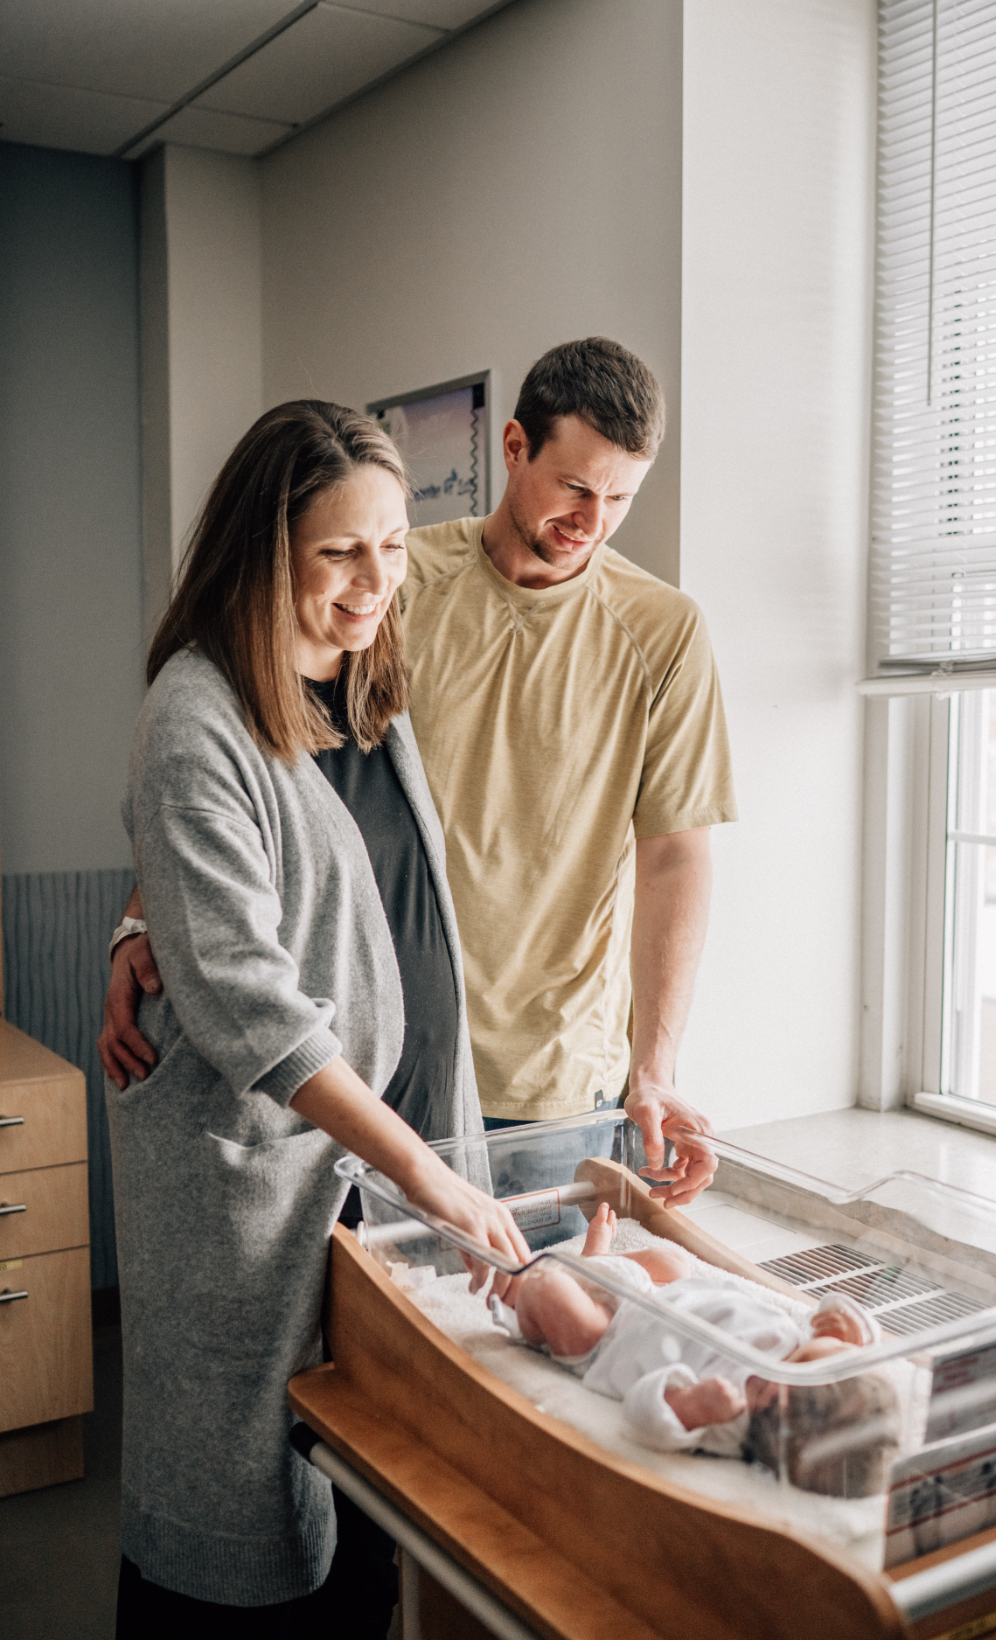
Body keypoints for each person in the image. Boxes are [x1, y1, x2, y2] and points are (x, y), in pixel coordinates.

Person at [101, 337, 736, 1205]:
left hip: (552, 1082)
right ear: (515, 449)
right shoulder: (387, 582)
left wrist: (655, 1070)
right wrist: (149, 918)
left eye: (621, 497)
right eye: (577, 488)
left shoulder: (663, 631)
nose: (593, 520)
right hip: (364, 1071)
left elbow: (676, 856)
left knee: (524, 1331)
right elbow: (244, 758)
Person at [106, 400, 528, 1636]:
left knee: (360, 1525)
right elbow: (248, 997)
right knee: (239, 1528)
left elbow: (271, 882)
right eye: (340, 552)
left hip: (374, 1162)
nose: (374, 582)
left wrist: (140, 922)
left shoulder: (362, 680)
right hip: (272, 1179)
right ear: (261, 547)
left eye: (392, 546)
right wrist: (421, 1172)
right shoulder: (196, 718)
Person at [498, 1204, 899, 1498]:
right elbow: (834, 1321)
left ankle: (522, 1288)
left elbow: (642, 1419)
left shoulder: (731, 1421)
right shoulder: (800, 1345)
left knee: (549, 1290)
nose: (760, 1378)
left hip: (606, 1342)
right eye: (809, 1359)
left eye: (765, 1396)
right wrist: (854, 1325)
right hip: (655, 1294)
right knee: (671, 1260)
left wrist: (688, 1408)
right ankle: (597, 1264)